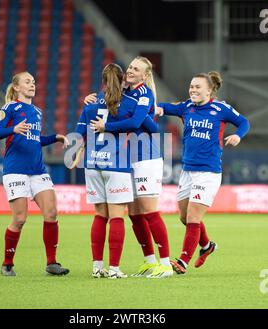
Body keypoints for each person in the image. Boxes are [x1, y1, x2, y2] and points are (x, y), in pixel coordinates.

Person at [156, 71, 250, 274]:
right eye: (191, 86)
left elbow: (244, 122)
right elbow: (164, 108)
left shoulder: (221, 108)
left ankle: (182, 261)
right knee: (183, 217)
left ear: (209, 90)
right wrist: (150, 107)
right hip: (187, 171)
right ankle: (207, 246)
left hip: (208, 173)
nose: (193, 90)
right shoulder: (186, 107)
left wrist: (238, 136)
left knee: (192, 218)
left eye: (197, 87)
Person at [89, 56, 173, 279]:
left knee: (149, 211)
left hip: (146, 157)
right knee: (134, 214)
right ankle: (149, 261)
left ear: (145, 75)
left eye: (137, 69)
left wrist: (106, 126)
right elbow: (110, 96)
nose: (131, 70)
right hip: (127, 159)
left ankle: (166, 265)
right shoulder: (126, 90)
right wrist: (93, 98)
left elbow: (136, 123)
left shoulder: (145, 93)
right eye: (130, 67)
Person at [75, 63, 159, 279]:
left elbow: (78, 134)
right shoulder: (128, 102)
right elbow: (146, 127)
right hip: (117, 165)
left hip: (93, 164)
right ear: (122, 79)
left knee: (99, 216)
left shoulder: (91, 104)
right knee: (117, 217)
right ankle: (114, 268)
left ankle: (96, 267)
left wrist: (78, 152)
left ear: (102, 80)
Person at [0, 71, 69, 276]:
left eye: (34, 81)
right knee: (20, 218)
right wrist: (13, 129)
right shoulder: (10, 107)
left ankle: (52, 263)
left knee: (51, 213)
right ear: (16, 87)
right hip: (15, 170)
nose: (32, 84)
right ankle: (7, 263)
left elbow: (35, 139)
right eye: (27, 81)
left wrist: (55, 137)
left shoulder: (37, 111)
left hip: (37, 170)